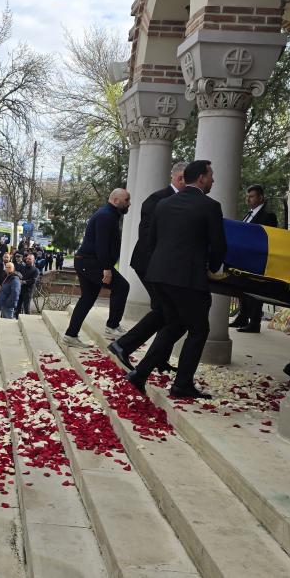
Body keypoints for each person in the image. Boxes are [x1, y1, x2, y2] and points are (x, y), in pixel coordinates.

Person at [126, 160, 226, 400]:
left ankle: (140, 373)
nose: (214, 180)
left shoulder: (164, 204)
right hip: (188, 279)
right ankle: (182, 384)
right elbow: (219, 246)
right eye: (211, 176)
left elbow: (151, 242)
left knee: (174, 325)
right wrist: (212, 269)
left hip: (159, 276)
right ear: (201, 178)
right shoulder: (210, 206)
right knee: (199, 329)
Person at [109, 163, 186, 373]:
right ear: (181, 179)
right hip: (150, 264)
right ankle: (124, 345)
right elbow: (148, 235)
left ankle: (156, 357)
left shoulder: (174, 199)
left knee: (166, 310)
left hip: (160, 266)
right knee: (165, 310)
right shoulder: (158, 199)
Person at [61, 188, 132, 346]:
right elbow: (101, 245)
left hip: (86, 261)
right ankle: (112, 326)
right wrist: (107, 268)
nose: (129, 203)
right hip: (91, 262)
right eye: (126, 200)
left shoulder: (109, 214)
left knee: (87, 298)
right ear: (115, 200)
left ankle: (70, 335)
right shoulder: (106, 216)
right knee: (122, 287)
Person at [229, 184, 279, 334]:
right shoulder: (249, 214)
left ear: (260, 198)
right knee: (242, 289)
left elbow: (268, 237)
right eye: (247, 196)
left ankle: (255, 321)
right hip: (244, 258)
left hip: (257, 260)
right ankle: (243, 316)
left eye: (251, 196)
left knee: (255, 290)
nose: (248, 199)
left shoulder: (268, 215)